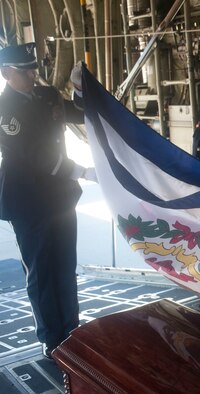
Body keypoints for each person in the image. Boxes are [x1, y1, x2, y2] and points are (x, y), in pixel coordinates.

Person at [0, 43, 96, 359]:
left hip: (60, 198)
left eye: (33, 69)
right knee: (41, 271)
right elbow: (34, 157)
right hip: (29, 202)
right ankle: (52, 338)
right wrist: (84, 171)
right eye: (25, 71)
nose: (32, 75)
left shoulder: (46, 95)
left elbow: (79, 113)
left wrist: (81, 87)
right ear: (6, 73)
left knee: (65, 266)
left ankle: (72, 329)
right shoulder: (5, 109)